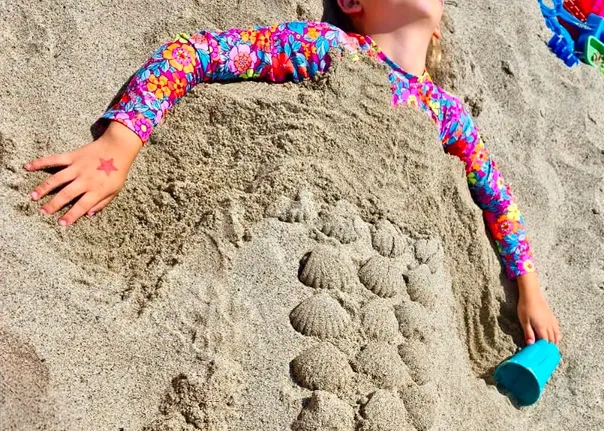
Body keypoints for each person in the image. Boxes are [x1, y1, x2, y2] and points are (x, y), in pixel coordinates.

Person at [23, 0, 561, 346]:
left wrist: (529, 289)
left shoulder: (449, 113)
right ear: (352, 2)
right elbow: (199, 53)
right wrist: (119, 142)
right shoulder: (329, 47)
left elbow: (498, 199)